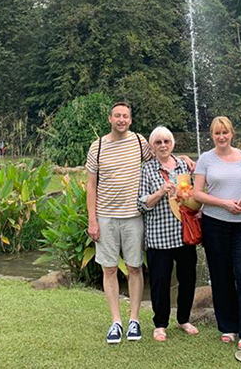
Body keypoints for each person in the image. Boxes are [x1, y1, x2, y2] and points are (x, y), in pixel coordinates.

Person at [86, 102, 152, 344]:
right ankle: (116, 321)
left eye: (125, 116)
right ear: (109, 118)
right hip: (106, 216)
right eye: (117, 116)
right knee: (109, 269)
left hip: (133, 216)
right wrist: (92, 220)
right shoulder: (98, 146)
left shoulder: (139, 143)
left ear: (130, 120)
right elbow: (91, 185)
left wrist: (183, 159)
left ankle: (134, 319)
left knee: (135, 267)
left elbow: (161, 156)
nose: (121, 120)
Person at [193, 116, 241, 347]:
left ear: (232, 134)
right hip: (215, 223)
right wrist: (224, 204)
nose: (221, 137)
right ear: (212, 136)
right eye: (217, 133)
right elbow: (197, 194)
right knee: (221, 275)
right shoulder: (205, 159)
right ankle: (228, 326)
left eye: (225, 132)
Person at [137, 126, 199, 342]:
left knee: (188, 278)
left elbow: (194, 196)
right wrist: (161, 192)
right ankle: (160, 324)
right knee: (160, 282)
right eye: (158, 142)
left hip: (184, 233)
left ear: (172, 143)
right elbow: (142, 203)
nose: (163, 145)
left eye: (166, 141)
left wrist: (184, 196)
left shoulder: (184, 165)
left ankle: (183, 318)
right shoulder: (146, 169)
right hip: (158, 236)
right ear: (152, 147)